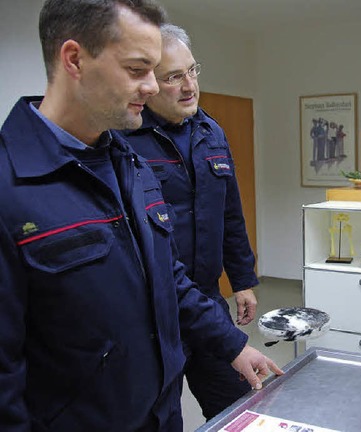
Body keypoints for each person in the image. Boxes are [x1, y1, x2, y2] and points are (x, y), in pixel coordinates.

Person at [0, 1, 282, 430]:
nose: (153, 87)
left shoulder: (129, 166)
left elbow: (168, 277)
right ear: (74, 59)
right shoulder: (10, 184)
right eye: (138, 70)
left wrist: (232, 344)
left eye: (157, 71)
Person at [121, 24, 259, 419]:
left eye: (192, 70)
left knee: (237, 407)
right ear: (149, 82)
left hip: (207, 297)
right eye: (173, 77)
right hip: (155, 311)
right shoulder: (125, 139)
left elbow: (230, 213)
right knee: (162, 415)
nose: (189, 85)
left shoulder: (211, 133)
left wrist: (243, 278)